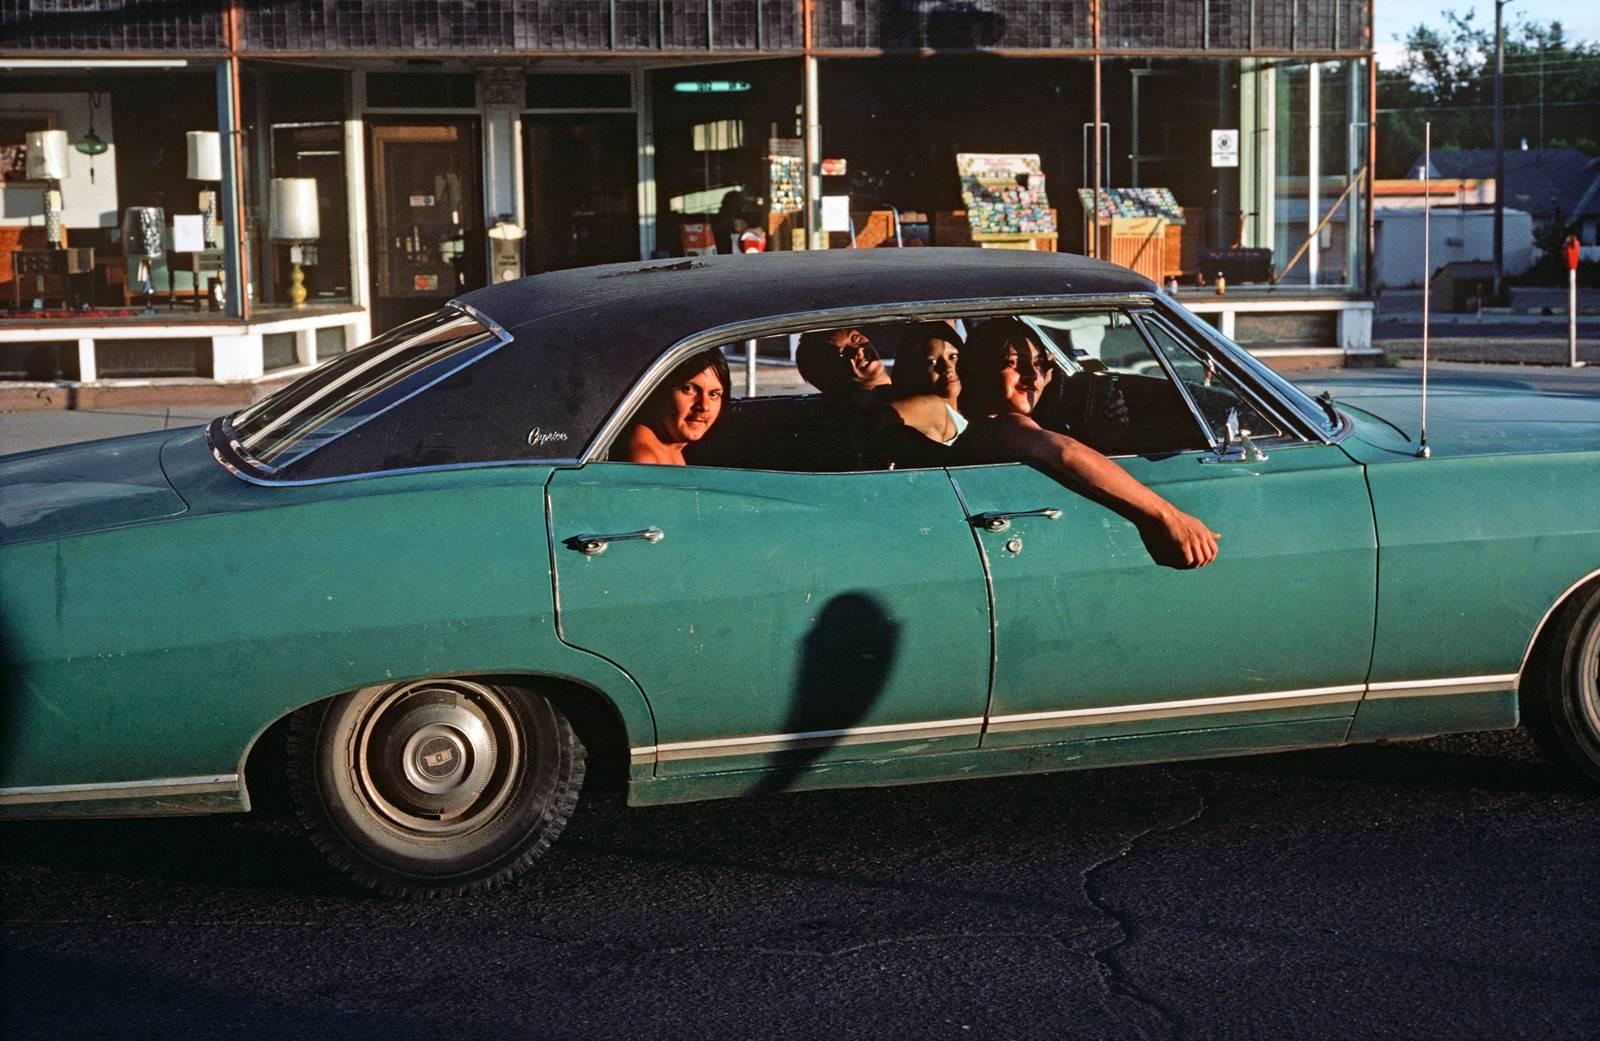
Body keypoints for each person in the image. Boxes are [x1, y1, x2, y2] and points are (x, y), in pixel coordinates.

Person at [956, 318, 1219, 570]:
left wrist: (1106, 436)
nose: (1031, 375)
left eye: (1037, 364)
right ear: (981, 370)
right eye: (1014, 363)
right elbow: (1066, 454)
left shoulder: (995, 426)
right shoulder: (1001, 426)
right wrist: (1169, 516)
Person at [794, 327, 958, 451]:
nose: (858, 350)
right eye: (842, 355)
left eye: (855, 338)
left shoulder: (908, 391)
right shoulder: (872, 412)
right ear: (828, 376)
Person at [620, 348, 730, 465]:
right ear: (661, 390)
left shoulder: (671, 445)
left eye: (713, 394)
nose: (704, 406)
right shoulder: (644, 457)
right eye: (689, 389)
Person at [891, 322, 967, 446]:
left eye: (953, 356)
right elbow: (878, 417)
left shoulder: (969, 409)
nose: (947, 367)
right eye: (932, 362)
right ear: (914, 370)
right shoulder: (932, 407)